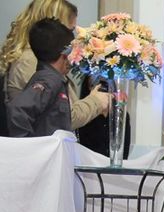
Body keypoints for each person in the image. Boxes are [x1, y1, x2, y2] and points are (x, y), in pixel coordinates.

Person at [0, 0, 109, 131]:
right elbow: (64, 118)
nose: (74, 39)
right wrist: (96, 102)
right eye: (70, 30)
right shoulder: (30, 62)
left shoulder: (40, 60)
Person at [6, 18, 74, 137]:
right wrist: (30, 147)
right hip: (47, 154)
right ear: (65, 53)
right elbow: (18, 110)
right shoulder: (49, 81)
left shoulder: (53, 79)